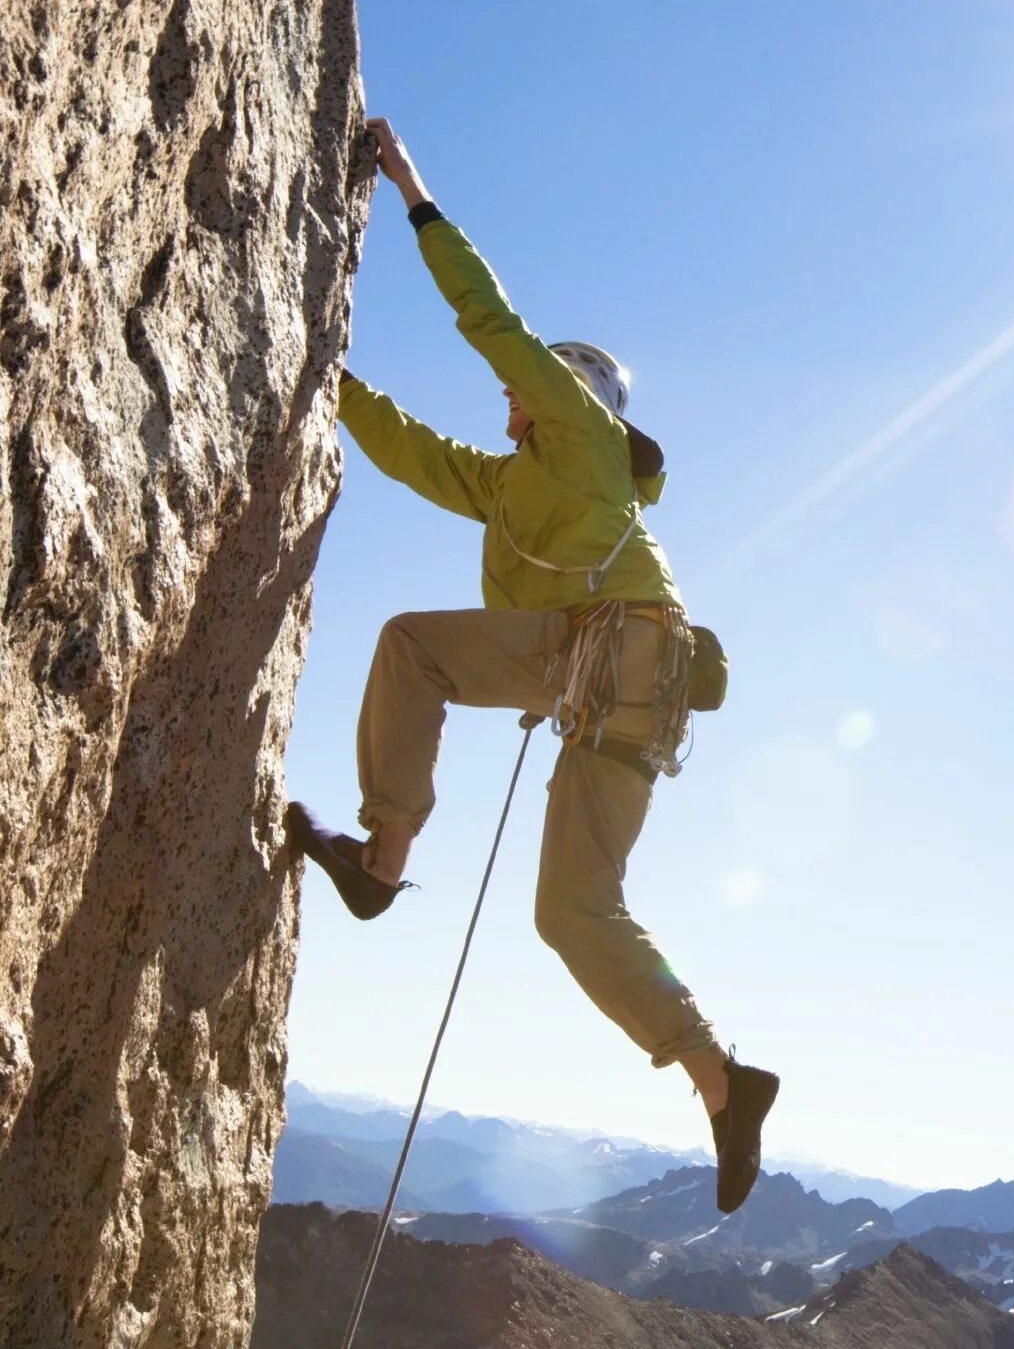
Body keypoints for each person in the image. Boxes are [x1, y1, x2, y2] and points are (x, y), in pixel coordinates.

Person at [288, 116, 777, 1215]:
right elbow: (412, 451)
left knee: (413, 645)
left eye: (536, 385)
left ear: (570, 395)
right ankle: (717, 1077)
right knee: (571, 911)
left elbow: (490, 322)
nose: (513, 397)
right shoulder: (510, 483)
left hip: (605, 647)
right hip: (625, 699)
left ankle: (383, 854)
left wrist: (413, 189)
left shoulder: (583, 438)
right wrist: (319, 366)